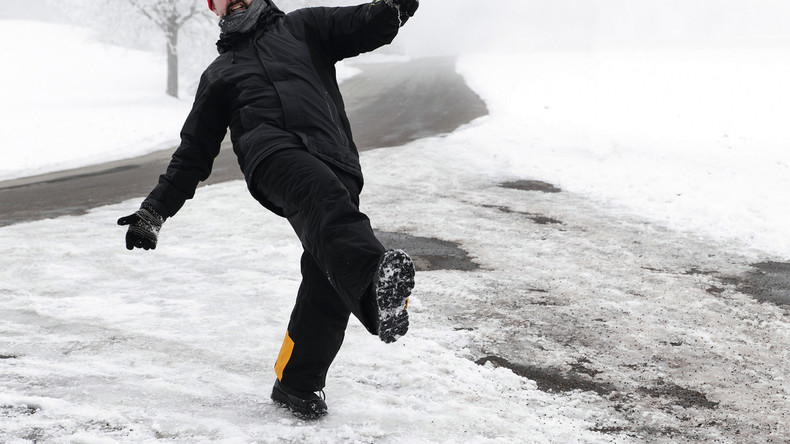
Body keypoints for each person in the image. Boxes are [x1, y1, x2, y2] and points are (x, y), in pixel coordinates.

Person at [117, 0, 419, 419]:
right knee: (325, 205)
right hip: (273, 158)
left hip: (337, 161)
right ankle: (372, 289)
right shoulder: (220, 74)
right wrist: (155, 211)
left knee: (327, 276)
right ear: (214, 8)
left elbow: (365, 24)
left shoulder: (304, 27)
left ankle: (296, 384)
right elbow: (193, 155)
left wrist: (393, 8)